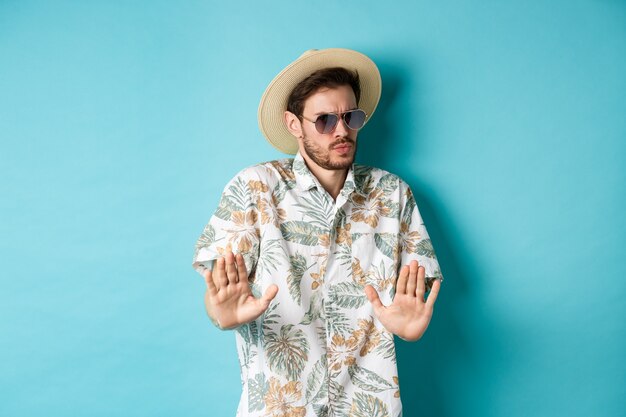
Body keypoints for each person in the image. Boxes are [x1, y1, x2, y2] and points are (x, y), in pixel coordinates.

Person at [192, 48, 443, 417]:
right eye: (324, 120)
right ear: (294, 125)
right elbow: (221, 298)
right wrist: (220, 316)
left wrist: (409, 327)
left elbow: (414, 297)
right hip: (279, 406)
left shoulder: (392, 194)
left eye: (350, 117)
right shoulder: (254, 188)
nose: (341, 131)